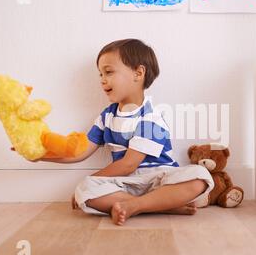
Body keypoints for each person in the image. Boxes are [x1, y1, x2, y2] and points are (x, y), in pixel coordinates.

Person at [38, 39, 214, 225]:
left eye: (109, 72)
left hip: (160, 179)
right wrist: (41, 155)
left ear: (138, 73)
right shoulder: (107, 116)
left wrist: (93, 177)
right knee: (85, 188)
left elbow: (129, 164)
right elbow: (80, 152)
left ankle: (140, 205)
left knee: (200, 177)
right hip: (126, 184)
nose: (102, 80)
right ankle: (159, 206)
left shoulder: (150, 117)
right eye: (100, 74)